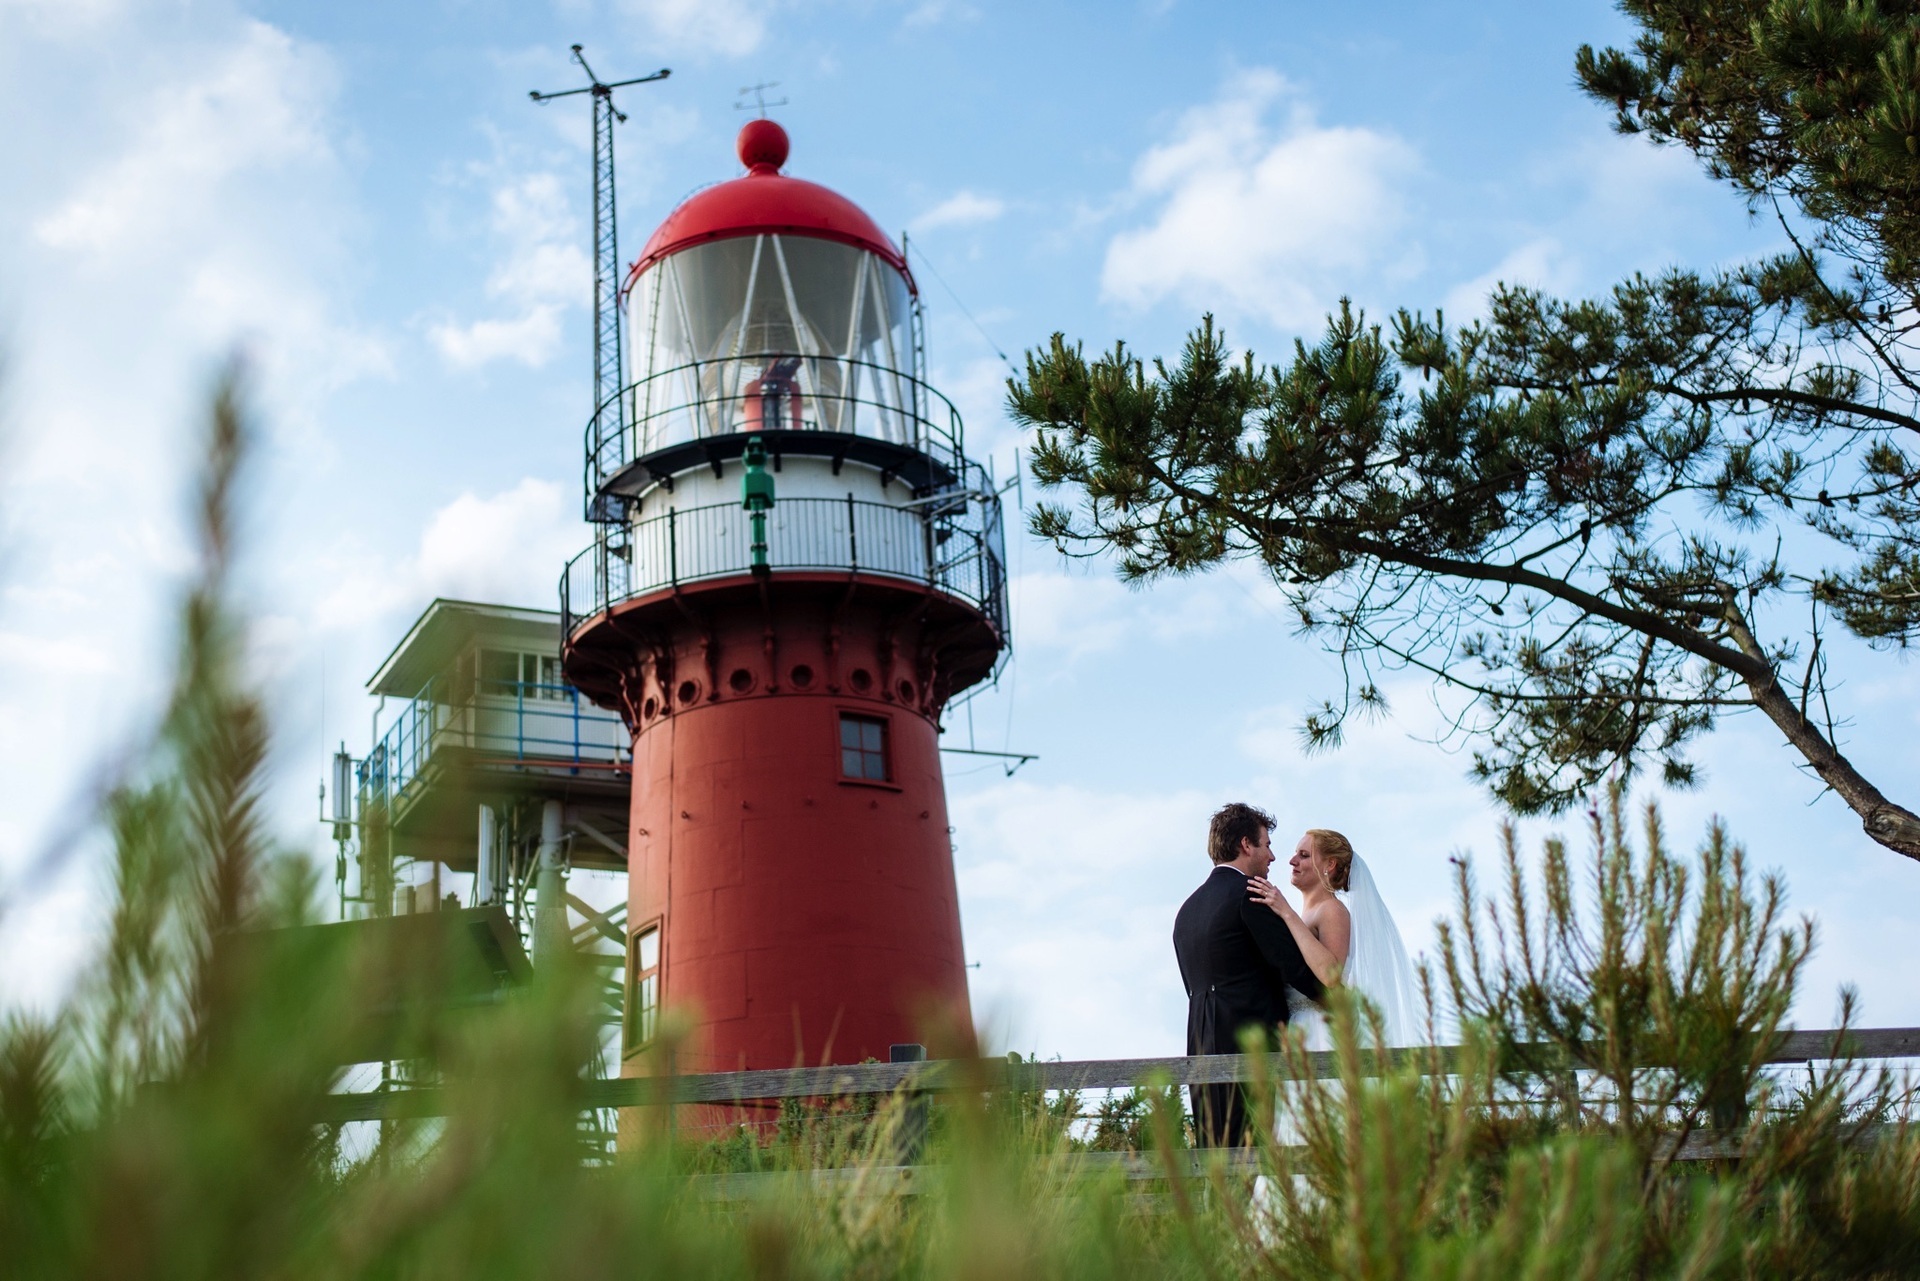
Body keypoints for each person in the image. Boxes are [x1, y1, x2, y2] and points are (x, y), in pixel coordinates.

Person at [1172, 803, 1326, 1147]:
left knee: (1219, 1159)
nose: (1272, 856)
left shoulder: (1186, 912)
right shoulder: (1250, 895)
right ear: (1246, 845)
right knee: (1259, 1156)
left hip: (1200, 1052)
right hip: (1251, 1048)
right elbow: (1294, 967)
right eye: (1267, 844)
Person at [1246, 828, 1422, 1049]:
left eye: (1304, 855)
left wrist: (1286, 912)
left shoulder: (1332, 910)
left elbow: (1331, 975)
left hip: (1320, 1031)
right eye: (1295, 854)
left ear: (1329, 865)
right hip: (1297, 1030)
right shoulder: (1308, 915)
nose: (1292, 861)